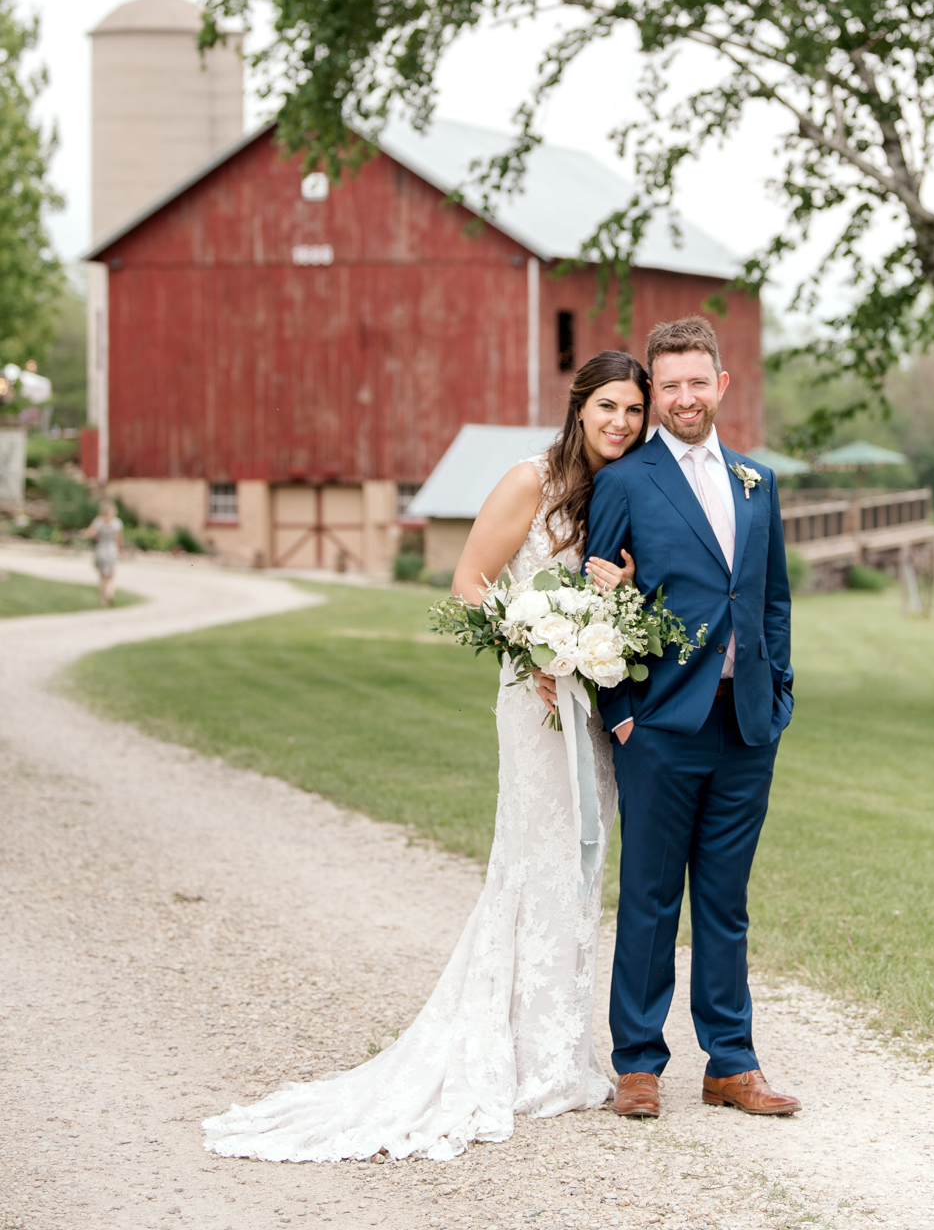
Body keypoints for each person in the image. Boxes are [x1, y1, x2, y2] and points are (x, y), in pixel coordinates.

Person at [202, 350, 649, 1163]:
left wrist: (607, 611)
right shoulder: (531, 481)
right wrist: (535, 649)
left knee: (581, 866)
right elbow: (469, 584)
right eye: (608, 406)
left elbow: (623, 590)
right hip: (536, 702)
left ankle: (556, 1054)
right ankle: (518, 1056)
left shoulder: (623, 489)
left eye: (632, 411)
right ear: (579, 406)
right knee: (533, 861)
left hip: (590, 705)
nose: (620, 423)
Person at [583, 315, 799, 1120]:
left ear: (721, 385)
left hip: (745, 725)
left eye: (694, 382)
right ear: (653, 389)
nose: (682, 397)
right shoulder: (626, 482)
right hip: (660, 725)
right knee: (648, 897)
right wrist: (622, 712)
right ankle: (637, 1065)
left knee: (724, 898)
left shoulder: (756, 481)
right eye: (666, 385)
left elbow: (770, 599)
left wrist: (777, 694)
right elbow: (593, 601)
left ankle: (730, 1064)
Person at [84, 498, 123, 607]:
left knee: (102, 577)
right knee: (111, 575)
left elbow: (89, 534)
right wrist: (121, 551)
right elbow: (119, 539)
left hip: (100, 550)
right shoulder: (117, 523)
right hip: (111, 550)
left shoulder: (98, 522)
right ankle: (109, 592)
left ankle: (103, 601)